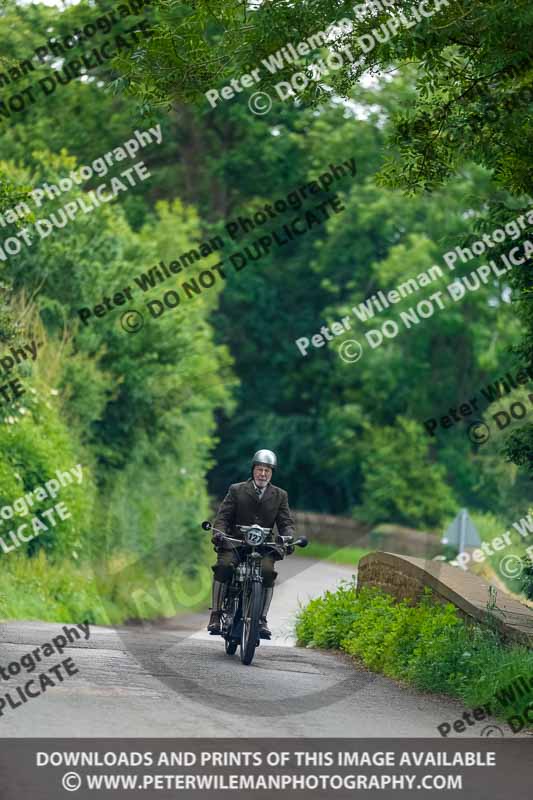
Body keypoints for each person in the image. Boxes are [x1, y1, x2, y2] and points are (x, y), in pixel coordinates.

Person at [207, 449, 295, 639]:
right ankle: (216, 613)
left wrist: (288, 538)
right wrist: (219, 534)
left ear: (272, 473)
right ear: (253, 470)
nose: (263, 474)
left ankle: (261, 619)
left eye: (267, 470)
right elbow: (222, 517)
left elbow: (285, 523)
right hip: (236, 543)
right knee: (224, 567)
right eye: (260, 469)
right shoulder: (236, 490)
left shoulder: (280, 495)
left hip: (264, 547)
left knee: (267, 573)